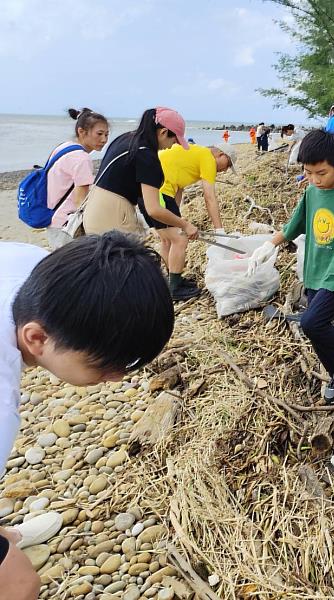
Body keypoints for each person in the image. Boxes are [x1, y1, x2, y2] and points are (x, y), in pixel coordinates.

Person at [0, 232, 174, 599]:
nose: (116, 377)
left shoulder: (36, 268)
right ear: (36, 338)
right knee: (20, 584)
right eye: (105, 366)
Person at [247, 129, 334, 404]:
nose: (314, 179)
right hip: (314, 270)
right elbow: (291, 227)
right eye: (308, 172)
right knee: (317, 329)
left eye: (321, 172)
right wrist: (266, 247)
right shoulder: (311, 193)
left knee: (311, 322)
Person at [82, 107, 199, 243]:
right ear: (163, 132)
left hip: (93, 208)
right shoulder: (146, 155)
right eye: (174, 141)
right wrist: (185, 225)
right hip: (113, 213)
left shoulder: (127, 138)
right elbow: (154, 209)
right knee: (125, 262)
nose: (172, 146)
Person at [140, 143, 237, 300]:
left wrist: (176, 217)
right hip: (159, 193)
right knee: (180, 238)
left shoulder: (193, 154)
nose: (225, 170)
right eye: (228, 164)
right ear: (221, 155)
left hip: (145, 191)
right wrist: (219, 231)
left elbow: (179, 187)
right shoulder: (208, 158)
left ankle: (172, 280)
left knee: (167, 240)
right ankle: (174, 289)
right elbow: (209, 197)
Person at [45, 108, 109, 249]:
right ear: (81, 131)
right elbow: (81, 202)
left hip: (52, 220)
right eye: (99, 134)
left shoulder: (63, 147)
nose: (104, 140)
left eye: (106, 134)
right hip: (68, 226)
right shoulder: (82, 158)